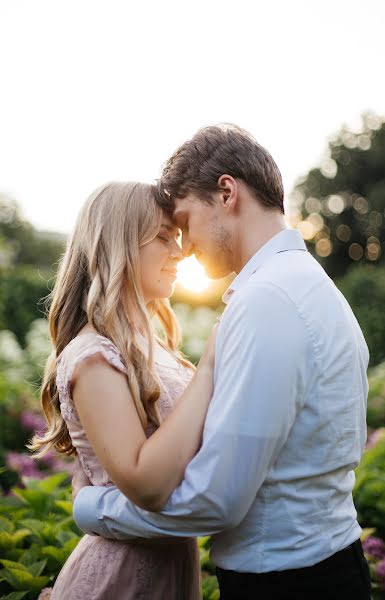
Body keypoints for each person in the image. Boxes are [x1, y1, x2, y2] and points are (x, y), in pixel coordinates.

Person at [73, 125, 372, 600]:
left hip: (286, 584)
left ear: (227, 193)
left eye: (185, 222)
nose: (184, 246)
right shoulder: (311, 286)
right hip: (324, 565)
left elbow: (216, 501)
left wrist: (91, 507)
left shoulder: (267, 301)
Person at [30, 181, 217, 600]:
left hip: (172, 569)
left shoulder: (153, 349)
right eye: (164, 238)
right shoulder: (93, 355)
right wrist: (208, 369)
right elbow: (142, 480)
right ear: (119, 246)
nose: (180, 251)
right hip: (120, 580)